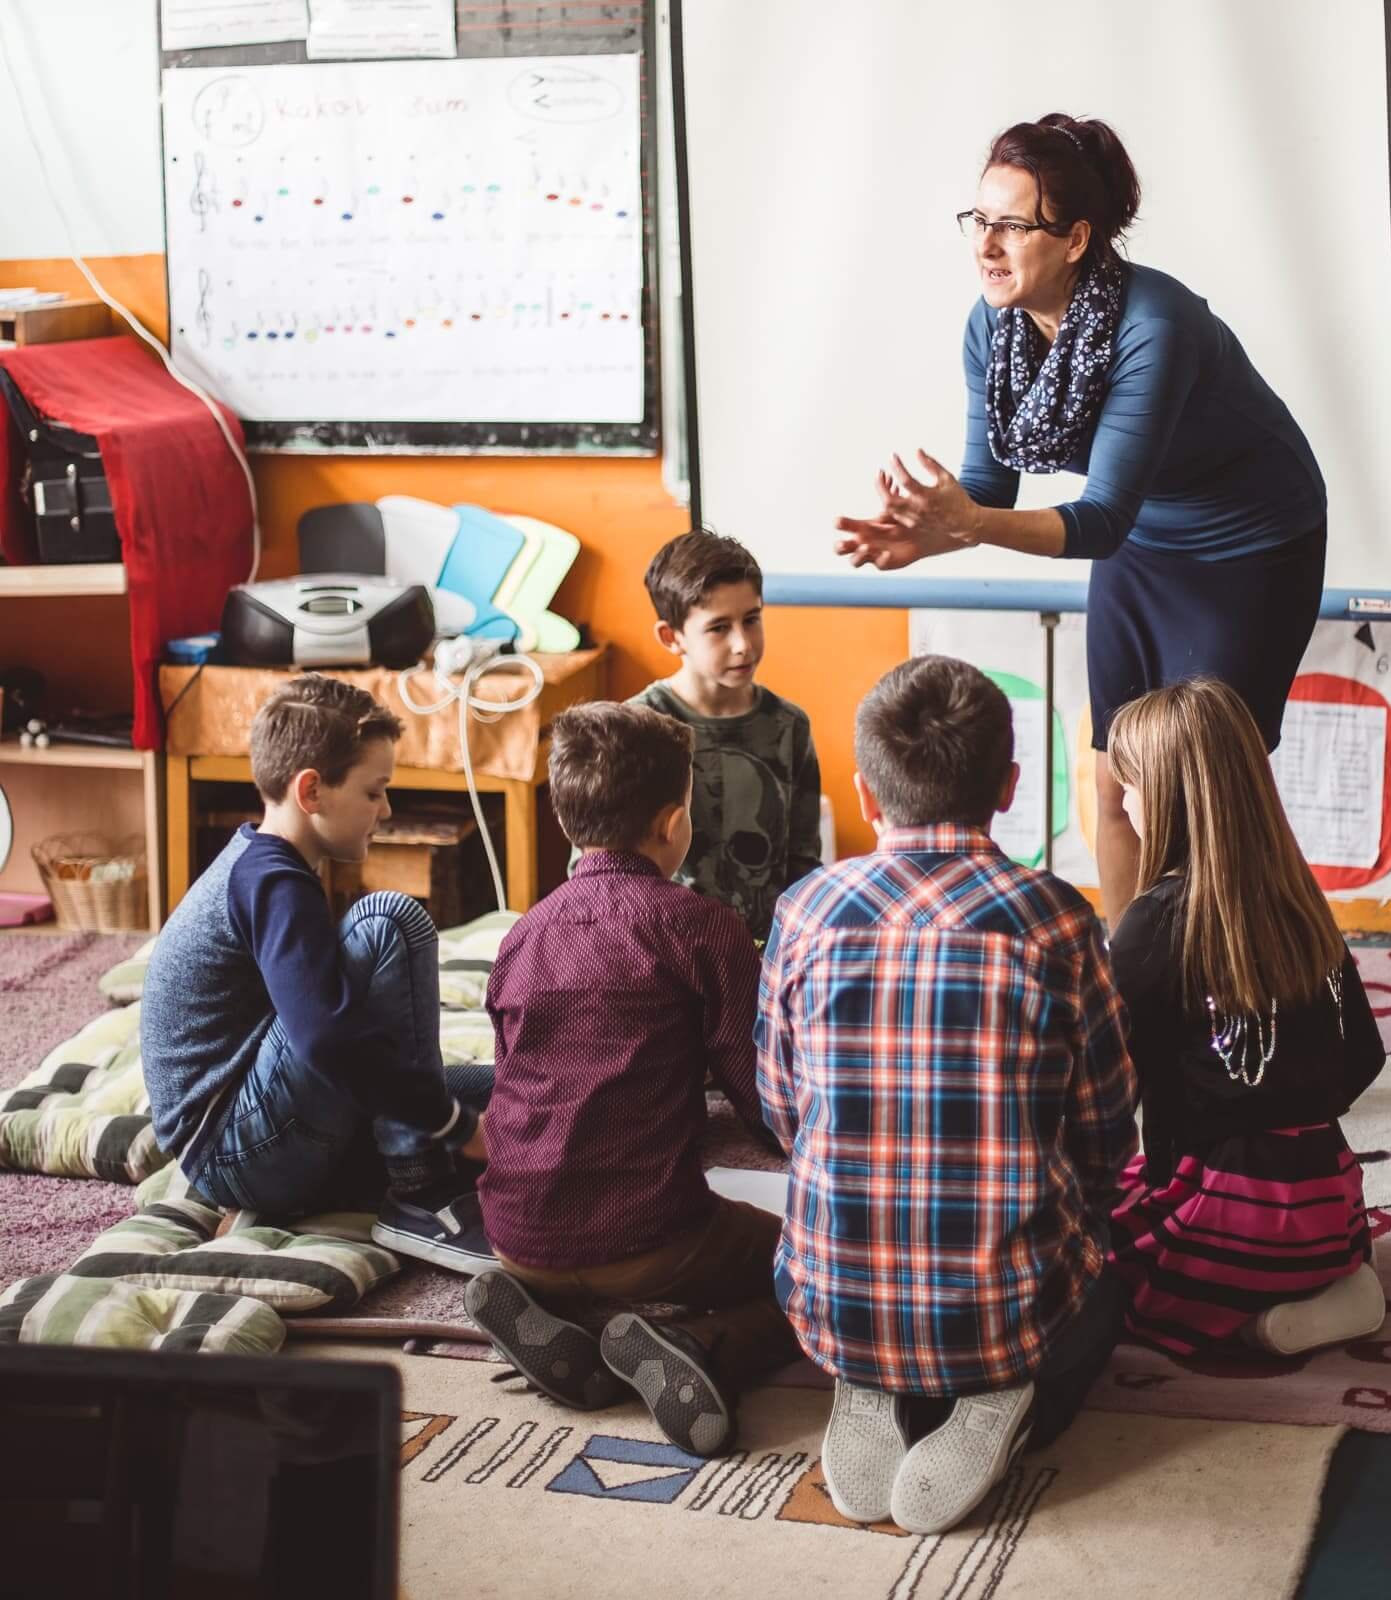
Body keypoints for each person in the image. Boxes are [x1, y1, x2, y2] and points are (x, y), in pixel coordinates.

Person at [833, 114, 1328, 931]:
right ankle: (1130, 986)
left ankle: (1262, 979)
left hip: (1250, 546)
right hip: (1144, 545)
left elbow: (1098, 519)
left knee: (1206, 798)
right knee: (1111, 780)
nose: (986, 245)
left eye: (1012, 225)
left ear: (1074, 239)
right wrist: (939, 528)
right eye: (979, 220)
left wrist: (969, 523)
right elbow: (991, 484)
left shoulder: (1153, 326)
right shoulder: (992, 326)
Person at [757, 656, 1137, 1536]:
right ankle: (1001, 1394)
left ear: (862, 791)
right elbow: (1107, 1133)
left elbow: (780, 1109)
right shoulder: (1057, 920)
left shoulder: (805, 911)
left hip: (831, 1299)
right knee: (1117, 1277)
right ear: (1009, 786)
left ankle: (868, 1373)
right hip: (1008, 1309)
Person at [469, 701, 799, 1457]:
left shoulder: (522, 935)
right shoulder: (700, 926)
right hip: (651, 1238)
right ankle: (699, 1346)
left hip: (518, 1235)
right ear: (674, 822)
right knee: (808, 1268)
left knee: (590, 1262)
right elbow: (761, 1095)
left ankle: (576, 1338)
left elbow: (514, 1080)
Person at [140, 674, 497, 1274]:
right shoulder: (271, 880)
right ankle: (423, 1196)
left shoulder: (275, 865)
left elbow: (349, 1030)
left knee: (510, 1091)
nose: (386, 810)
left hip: (263, 1129)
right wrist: (449, 1125)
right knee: (389, 919)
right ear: (312, 790)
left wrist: (452, 1109)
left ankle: (417, 1160)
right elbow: (327, 1036)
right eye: (374, 791)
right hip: (237, 1147)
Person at [1104, 677, 1387, 1358]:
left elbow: (1110, 1086)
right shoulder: (1303, 904)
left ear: (1168, 796)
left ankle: (1249, 1316)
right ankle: (1330, 1296)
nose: (1123, 802)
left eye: (1131, 785)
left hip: (1220, 1212)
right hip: (1326, 1204)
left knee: (1090, 1264)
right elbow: (1364, 1059)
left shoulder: (1151, 924)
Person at [623, 528, 823, 941]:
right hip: (667, 957)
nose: (743, 645)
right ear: (671, 637)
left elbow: (804, 864)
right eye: (718, 628)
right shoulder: (636, 726)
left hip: (766, 962)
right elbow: (598, 871)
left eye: (752, 619)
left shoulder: (790, 727)